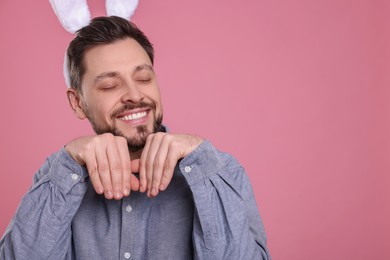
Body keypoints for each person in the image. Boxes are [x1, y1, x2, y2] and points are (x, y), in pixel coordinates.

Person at [0, 16, 270, 259]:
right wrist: (69, 164)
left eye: (143, 78)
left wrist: (200, 159)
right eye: (110, 85)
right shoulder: (57, 180)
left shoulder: (221, 173)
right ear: (78, 103)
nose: (135, 95)